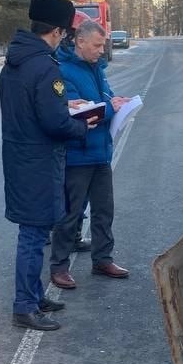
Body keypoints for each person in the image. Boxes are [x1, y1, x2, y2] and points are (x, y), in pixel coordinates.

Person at [0, 0, 97, 331]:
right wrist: (83, 125)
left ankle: (33, 295)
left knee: (34, 230)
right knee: (33, 234)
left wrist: (62, 111)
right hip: (38, 160)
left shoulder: (16, 61)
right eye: (65, 34)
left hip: (20, 156)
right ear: (56, 32)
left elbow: (31, 110)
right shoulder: (44, 67)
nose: (64, 40)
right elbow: (54, 123)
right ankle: (24, 306)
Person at [48, 20, 131, 290]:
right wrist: (109, 107)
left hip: (100, 152)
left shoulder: (98, 69)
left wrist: (118, 103)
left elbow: (105, 97)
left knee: (104, 210)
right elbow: (78, 111)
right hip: (77, 154)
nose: (101, 50)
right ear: (80, 41)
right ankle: (59, 266)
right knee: (70, 213)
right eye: (97, 45)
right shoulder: (64, 72)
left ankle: (102, 259)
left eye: (103, 45)